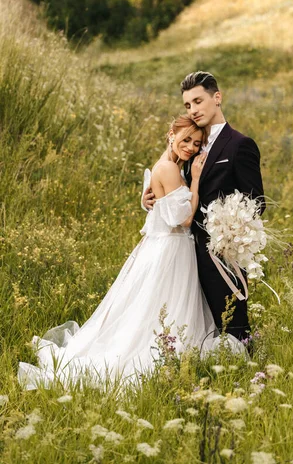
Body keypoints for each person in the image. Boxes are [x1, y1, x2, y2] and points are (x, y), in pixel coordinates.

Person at [18, 115, 216, 391]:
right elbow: (183, 219)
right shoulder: (171, 170)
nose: (191, 148)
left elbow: (160, 205)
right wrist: (194, 180)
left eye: (196, 143)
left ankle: (171, 351)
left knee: (155, 309)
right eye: (185, 140)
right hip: (170, 250)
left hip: (168, 248)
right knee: (160, 309)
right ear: (171, 134)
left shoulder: (167, 167)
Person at [143, 72, 264, 342]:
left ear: (217, 98)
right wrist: (149, 197)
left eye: (198, 101)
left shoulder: (239, 145)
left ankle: (243, 373)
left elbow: (256, 202)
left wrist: (228, 234)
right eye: (188, 105)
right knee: (188, 325)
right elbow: (170, 179)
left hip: (220, 253)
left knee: (232, 327)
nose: (193, 109)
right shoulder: (191, 144)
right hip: (182, 253)